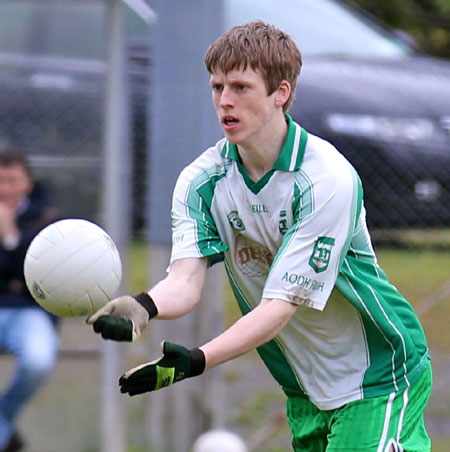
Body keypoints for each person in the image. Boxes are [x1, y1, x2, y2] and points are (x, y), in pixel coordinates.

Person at [88, 21, 432, 452]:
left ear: (281, 93)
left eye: (241, 87)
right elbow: (185, 281)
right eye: (217, 87)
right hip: (305, 389)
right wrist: (144, 305)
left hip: (378, 375)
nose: (225, 101)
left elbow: (278, 309)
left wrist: (197, 360)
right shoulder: (203, 182)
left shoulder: (325, 178)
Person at [0, 151, 60, 452]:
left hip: (29, 310)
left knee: (38, 361)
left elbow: (46, 270)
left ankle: (2, 421)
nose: (5, 189)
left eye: (12, 181)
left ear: (27, 184)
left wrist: (10, 236)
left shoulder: (47, 216)